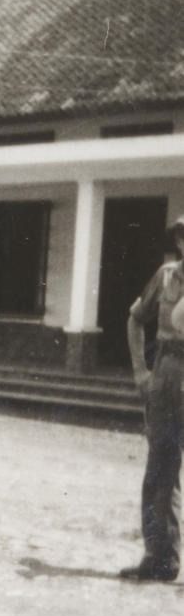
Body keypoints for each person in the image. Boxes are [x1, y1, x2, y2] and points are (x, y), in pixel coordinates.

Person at [123, 213, 184, 582]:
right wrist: (140, 372)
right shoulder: (165, 277)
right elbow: (135, 319)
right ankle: (159, 557)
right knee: (160, 469)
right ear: (179, 240)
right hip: (166, 375)